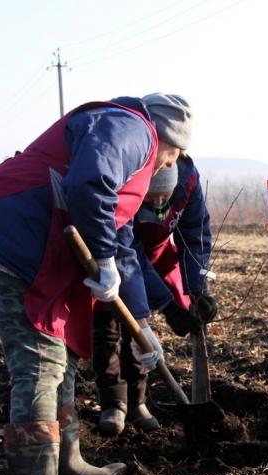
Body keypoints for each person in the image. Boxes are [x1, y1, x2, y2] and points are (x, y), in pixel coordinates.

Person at [0, 93, 192, 475]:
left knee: (61, 359)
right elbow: (90, 183)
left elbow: (121, 243)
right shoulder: (131, 128)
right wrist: (102, 257)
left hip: (31, 244)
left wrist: (141, 327)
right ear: (167, 137)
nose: (167, 166)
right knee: (40, 363)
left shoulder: (136, 151)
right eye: (173, 156)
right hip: (11, 240)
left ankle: (68, 465)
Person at [94, 153, 216, 436]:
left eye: (165, 198)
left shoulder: (187, 185)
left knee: (137, 334)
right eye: (152, 199)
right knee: (108, 325)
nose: (160, 205)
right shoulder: (124, 188)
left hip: (155, 257)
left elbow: (195, 236)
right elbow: (128, 255)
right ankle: (113, 403)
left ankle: (137, 402)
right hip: (115, 255)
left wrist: (198, 289)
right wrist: (166, 305)